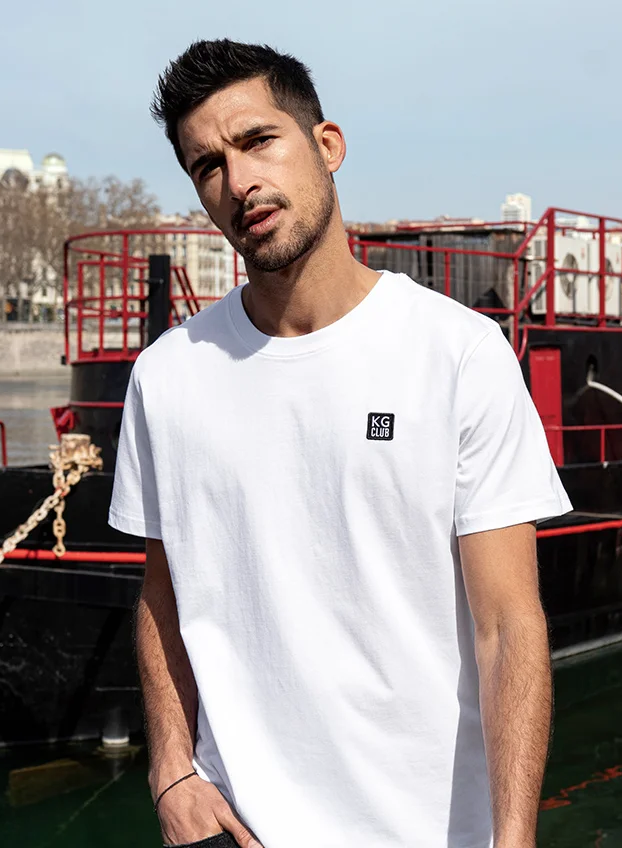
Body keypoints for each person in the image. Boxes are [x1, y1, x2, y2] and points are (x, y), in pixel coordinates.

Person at [109, 39, 571, 848]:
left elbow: (508, 627)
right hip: (235, 830)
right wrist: (172, 771)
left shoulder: (457, 354)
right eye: (208, 165)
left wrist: (514, 837)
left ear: (327, 145)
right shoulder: (165, 376)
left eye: (258, 141)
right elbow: (164, 591)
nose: (239, 181)